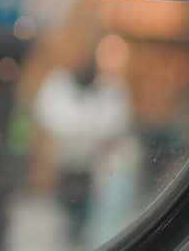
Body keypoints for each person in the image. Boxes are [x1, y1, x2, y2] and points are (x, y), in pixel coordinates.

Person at [35, 56, 133, 249]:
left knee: (87, 209)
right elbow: (49, 118)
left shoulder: (110, 89)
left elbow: (115, 123)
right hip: (66, 161)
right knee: (67, 206)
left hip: (94, 164)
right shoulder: (57, 86)